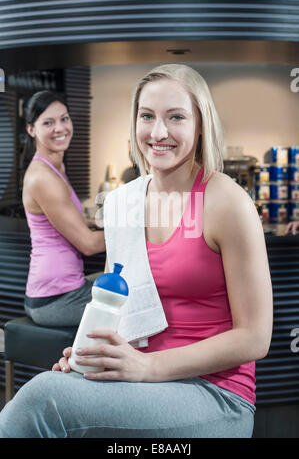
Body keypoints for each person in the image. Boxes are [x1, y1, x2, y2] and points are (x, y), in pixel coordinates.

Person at [0, 65, 273, 438]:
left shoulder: (226, 202)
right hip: (143, 380)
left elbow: (255, 337)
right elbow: (120, 308)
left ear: (200, 124)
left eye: (176, 117)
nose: (158, 132)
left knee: (42, 401)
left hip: (215, 393)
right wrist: (91, 355)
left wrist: (147, 368)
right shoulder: (125, 202)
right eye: (147, 116)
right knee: (39, 397)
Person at [21, 91, 105, 327]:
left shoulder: (55, 167)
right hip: (55, 299)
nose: (60, 128)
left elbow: (70, 221)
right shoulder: (42, 177)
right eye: (48, 122)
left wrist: (101, 223)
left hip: (62, 288)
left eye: (64, 119)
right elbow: (88, 245)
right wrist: (138, 231)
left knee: (119, 282)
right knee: (136, 306)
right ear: (31, 130)